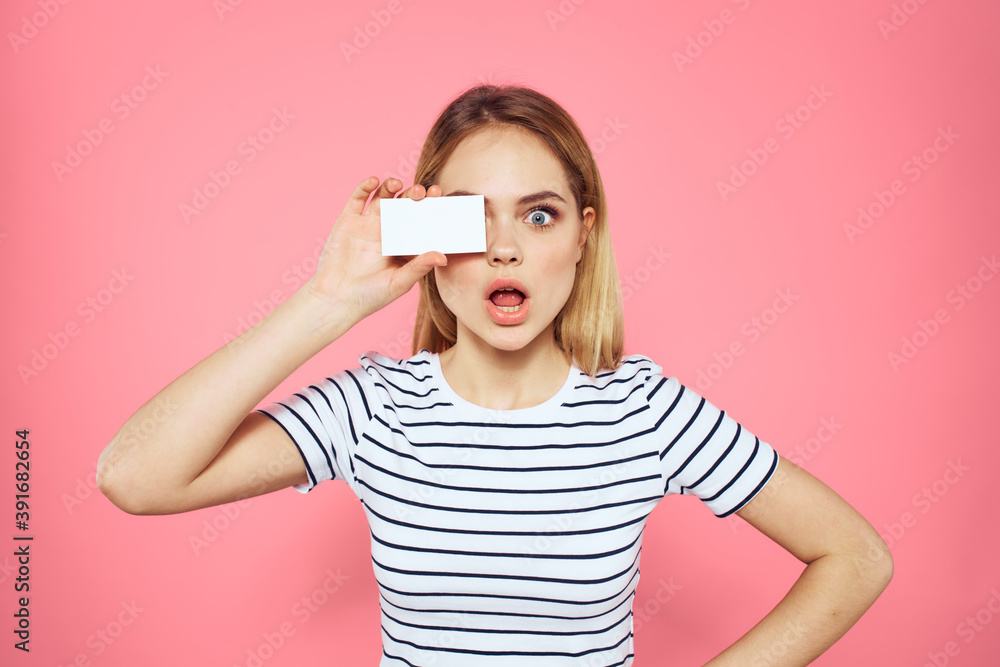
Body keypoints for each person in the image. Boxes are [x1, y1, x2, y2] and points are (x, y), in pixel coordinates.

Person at [97, 84, 893, 666]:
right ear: (427, 236)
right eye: (471, 219)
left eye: (539, 215)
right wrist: (329, 299)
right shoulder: (374, 409)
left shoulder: (644, 411)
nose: (505, 248)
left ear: (582, 237)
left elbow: (856, 557)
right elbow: (135, 476)